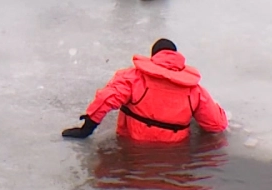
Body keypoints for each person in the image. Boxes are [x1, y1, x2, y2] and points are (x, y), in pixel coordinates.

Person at [61, 39, 228, 142]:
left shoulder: (134, 77)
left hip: (132, 143)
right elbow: (216, 124)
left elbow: (106, 99)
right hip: (174, 151)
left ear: (153, 56)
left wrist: (86, 130)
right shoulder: (195, 90)